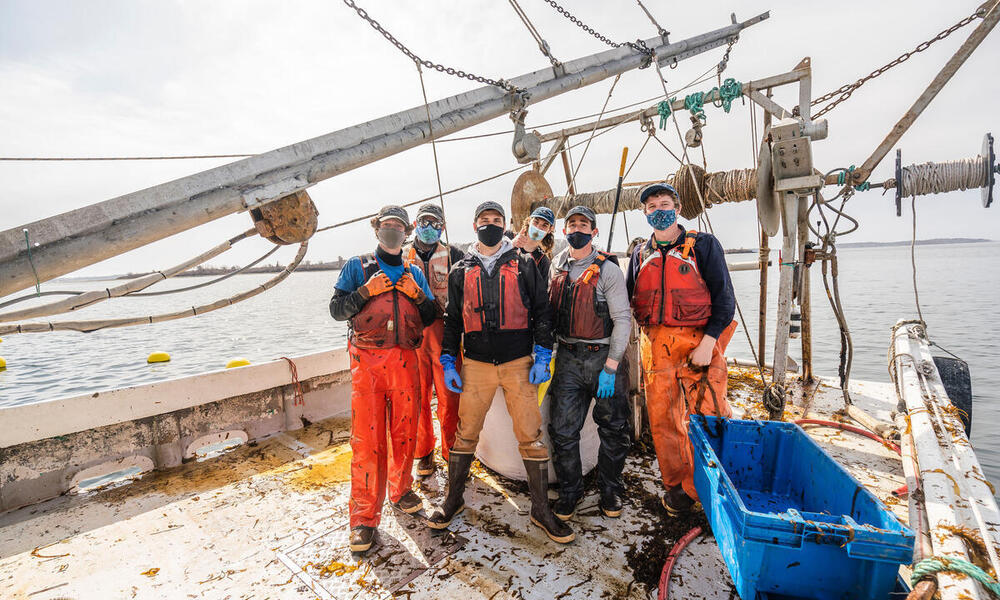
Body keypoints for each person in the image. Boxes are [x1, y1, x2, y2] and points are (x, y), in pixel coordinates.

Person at [426, 200, 574, 544]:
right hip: (476, 365)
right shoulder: (461, 269)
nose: (489, 224)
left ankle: (540, 509)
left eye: (496, 220)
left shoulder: (524, 264)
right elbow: (452, 320)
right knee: (466, 433)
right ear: (475, 224)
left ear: (505, 224)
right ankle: (453, 499)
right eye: (484, 219)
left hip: (518, 363)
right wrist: (449, 359)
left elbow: (542, 311)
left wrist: (541, 354)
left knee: (530, 433)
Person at [329, 205, 438, 554]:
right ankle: (363, 518)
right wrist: (365, 292)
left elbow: (432, 313)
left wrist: (415, 293)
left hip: (406, 360)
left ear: (407, 232)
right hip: (368, 364)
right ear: (377, 229)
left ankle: (401, 489)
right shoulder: (357, 267)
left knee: (405, 433)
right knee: (367, 441)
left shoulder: (414, 273)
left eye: (398, 226)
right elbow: (336, 310)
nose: (392, 230)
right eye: (386, 225)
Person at [625, 183, 737, 517]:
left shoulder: (703, 245)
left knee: (709, 415)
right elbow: (629, 301)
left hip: (698, 344)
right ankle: (678, 488)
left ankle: (713, 484)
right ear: (645, 213)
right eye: (651, 206)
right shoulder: (639, 254)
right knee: (664, 422)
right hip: (656, 350)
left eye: (665, 203)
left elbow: (725, 299)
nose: (658, 209)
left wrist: (708, 343)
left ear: (677, 208)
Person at [547, 206, 633, 521]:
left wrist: (611, 366)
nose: (577, 228)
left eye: (584, 224)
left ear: (594, 231)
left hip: (603, 357)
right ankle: (571, 491)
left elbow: (622, 320)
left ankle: (611, 488)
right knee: (562, 430)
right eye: (571, 224)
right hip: (568, 358)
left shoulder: (608, 270)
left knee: (613, 428)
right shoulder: (556, 265)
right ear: (564, 230)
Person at [404, 203, 465, 477]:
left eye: (435, 222)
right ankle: (424, 453)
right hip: (411, 337)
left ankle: (451, 451)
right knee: (416, 399)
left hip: (445, 334)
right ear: (416, 224)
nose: (429, 227)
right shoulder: (402, 256)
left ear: (443, 226)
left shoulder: (455, 255)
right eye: (424, 222)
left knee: (450, 398)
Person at [508, 206, 556, 279]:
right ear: (529, 221)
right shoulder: (509, 237)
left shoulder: (543, 262)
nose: (538, 227)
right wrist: (511, 245)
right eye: (536, 222)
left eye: (544, 225)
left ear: (550, 229)